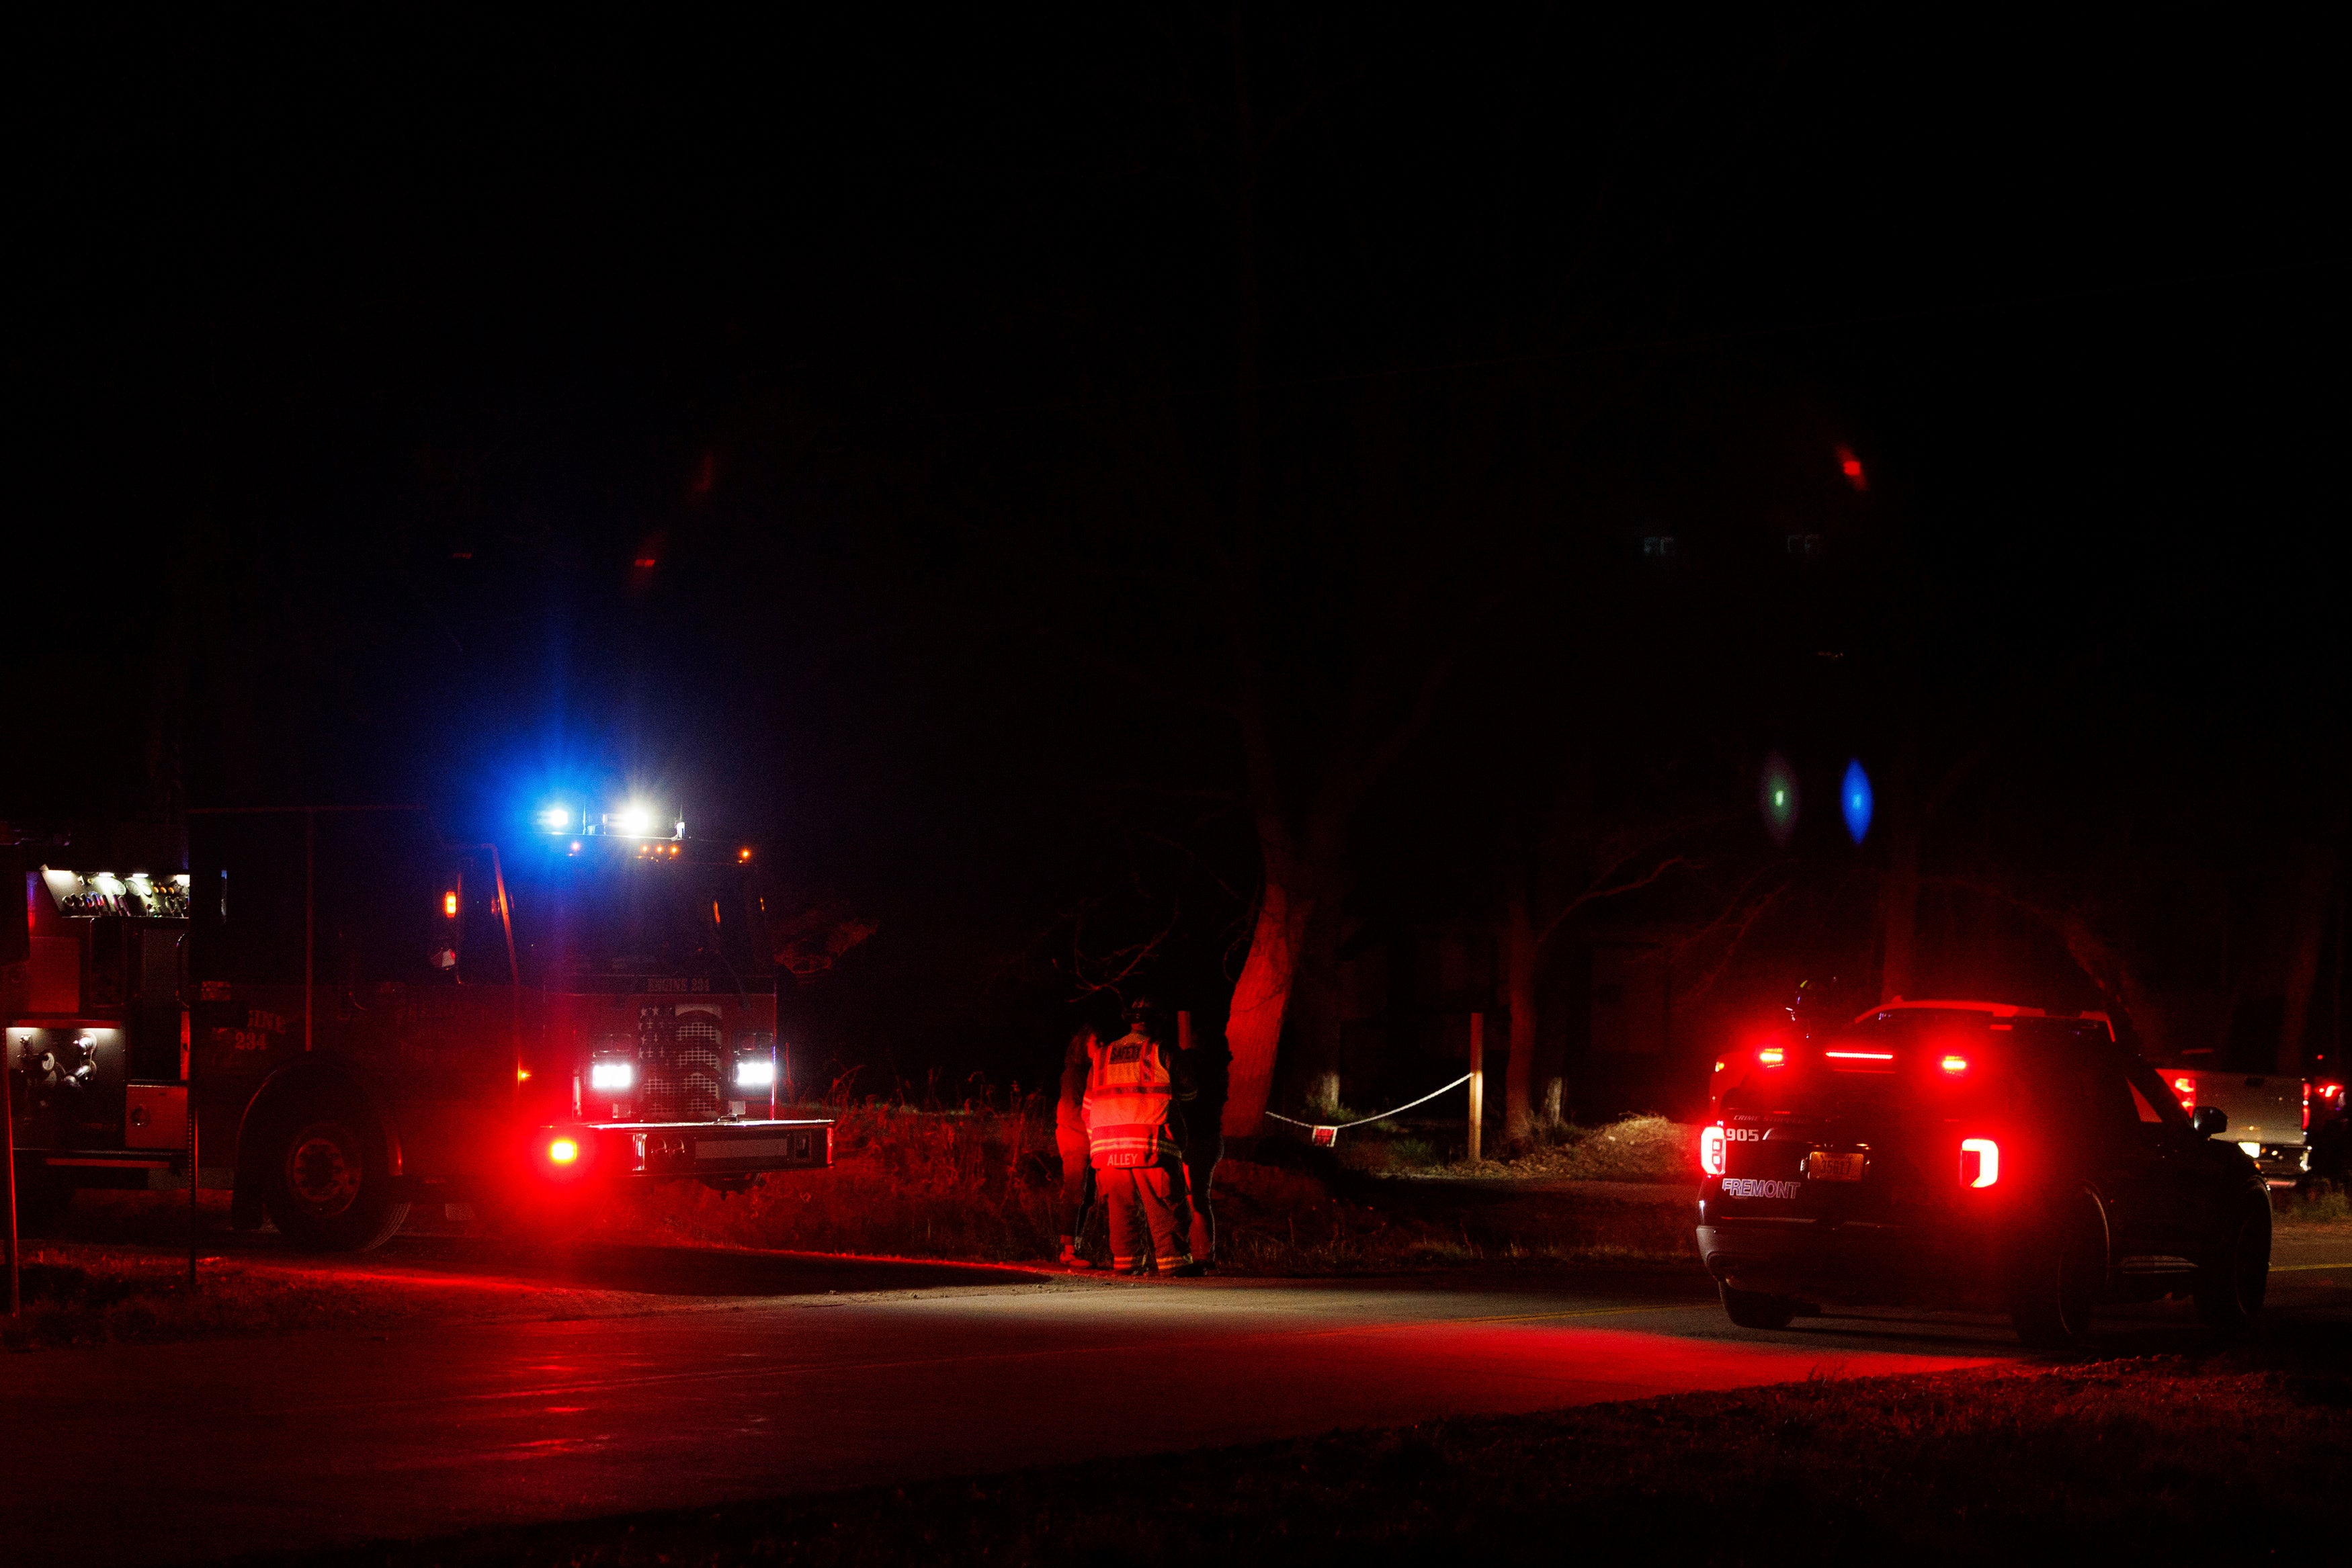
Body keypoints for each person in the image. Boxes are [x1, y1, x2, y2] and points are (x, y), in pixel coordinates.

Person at [1082, 996, 1200, 1276]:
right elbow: (1190, 1094)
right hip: (1151, 1146)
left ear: (1131, 1020)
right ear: (1157, 1021)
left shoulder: (1102, 1056)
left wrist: (1097, 1147)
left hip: (1106, 1151)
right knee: (1166, 1208)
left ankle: (1127, 1267)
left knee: (1122, 1214)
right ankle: (1176, 1267)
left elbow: (1087, 1110)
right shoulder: (1161, 1050)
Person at [1177, 1009, 1230, 1269]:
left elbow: (1194, 1101)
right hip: (1207, 1140)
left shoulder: (1207, 1072)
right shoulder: (1217, 1069)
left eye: (1196, 1044)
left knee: (1196, 1198)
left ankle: (1203, 1255)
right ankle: (1202, 1254)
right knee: (1197, 1197)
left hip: (1202, 1140)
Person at [1054, 1022, 1098, 1267]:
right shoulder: (1074, 1074)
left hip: (1086, 1138)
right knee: (1075, 1192)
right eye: (1096, 1042)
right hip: (1075, 1138)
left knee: (1087, 1194)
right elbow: (1073, 1112)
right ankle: (1068, 1250)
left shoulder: (1090, 1072)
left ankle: (1075, 1247)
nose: (1100, 1046)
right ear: (1083, 1045)